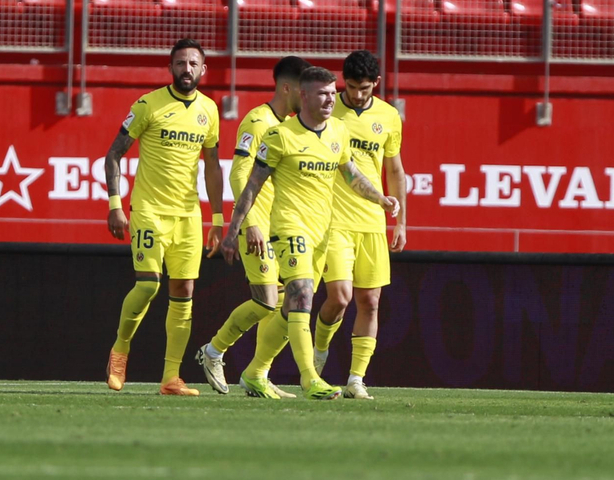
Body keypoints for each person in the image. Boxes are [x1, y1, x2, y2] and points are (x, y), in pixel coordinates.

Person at [221, 65, 400, 402]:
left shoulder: (337, 132)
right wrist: (235, 230)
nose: (331, 99)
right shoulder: (280, 136)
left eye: (333, 93)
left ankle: (255, 372)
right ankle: (310, 378)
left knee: (291, 308)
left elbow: (351, 174)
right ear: (303, 95)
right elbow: (251, 187)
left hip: (322, 232)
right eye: (323, 93)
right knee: (302, 295)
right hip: (289, 227)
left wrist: (381, 198)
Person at [103, 40, 226, 397]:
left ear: (203, 70)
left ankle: (171, 378)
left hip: (188, 215)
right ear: (170, 67)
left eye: (193, 63)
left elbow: (213, 165)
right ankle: (121, 349)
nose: (186, 69)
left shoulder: (209, 110)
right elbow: (113, 156)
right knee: (148, 285)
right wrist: (114, 204)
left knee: (184, 291)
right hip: (149, 211)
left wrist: (217, 218)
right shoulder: (148, 105)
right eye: (180, 63)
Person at [191, 55, 308, 400]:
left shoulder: (287, 127)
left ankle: (258, 373)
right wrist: (251, 223)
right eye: (305, 89)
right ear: (288, 88)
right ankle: (212, 352)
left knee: (293, 300)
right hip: (257, 227)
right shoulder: (257, 122)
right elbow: (239, 173)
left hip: (282, 228)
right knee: (267, 301)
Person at [310, 49, 408, 401]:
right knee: (339, 297)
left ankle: (356, 379)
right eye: (351, 87)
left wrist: (401, 223)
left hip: (372, 221)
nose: (357, 95)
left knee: (370, 301)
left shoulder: (388, 116)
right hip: (333, 220)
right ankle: (319, 353)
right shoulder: (326, 107)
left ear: (375, 84)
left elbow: (394, 171)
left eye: (364, 88)